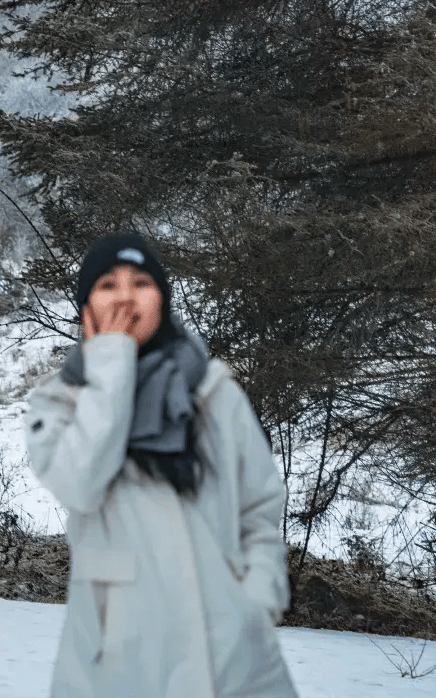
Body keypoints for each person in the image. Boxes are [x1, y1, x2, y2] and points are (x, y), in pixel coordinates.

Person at [26, 234, 299, 698]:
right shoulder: (58, 402)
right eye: (108, 284)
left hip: (233, 655)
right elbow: (80, 484)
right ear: (85, 305)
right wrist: (111, 363)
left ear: (164, 299)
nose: (127, 296)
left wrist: (256, 600)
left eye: (143, 282)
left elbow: (259, 505)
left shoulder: (212, 391)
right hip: (117, 661)